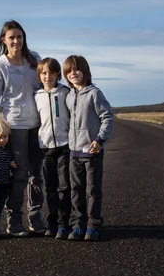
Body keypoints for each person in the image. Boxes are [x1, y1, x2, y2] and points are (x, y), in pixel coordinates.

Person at [0, 20, 45, 237]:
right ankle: (14, 220)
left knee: (37, 174)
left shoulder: (34, 59)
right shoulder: (0, 67)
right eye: (12, 37)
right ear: (4, 40)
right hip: (16, 126)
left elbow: (48, 84)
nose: (16, 41)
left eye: (19, 36)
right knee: (20, 174)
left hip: (38, 126)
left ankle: (36, 217)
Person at [63, 55, 114, 241]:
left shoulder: (94, 93)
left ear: (85, 71)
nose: (73, 73)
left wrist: (99, 140)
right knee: (76, 190)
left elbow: (107, 117)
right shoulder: (69, 95)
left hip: (92, 152)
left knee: (92, 190)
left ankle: (92, 225)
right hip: (74, 152)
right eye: (69, 71)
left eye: (76, 69)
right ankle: (78, 224)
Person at [34, 58, 72, 240]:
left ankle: (64, 223)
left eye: (51, 73)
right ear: (39, 76)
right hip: (46, 148)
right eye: (43, 73)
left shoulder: (66, 92)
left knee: (65, 186)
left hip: (65, 146)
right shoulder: (36, 96)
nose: (47, 76)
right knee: (50, 187)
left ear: (58, 74)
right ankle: (52, 222)